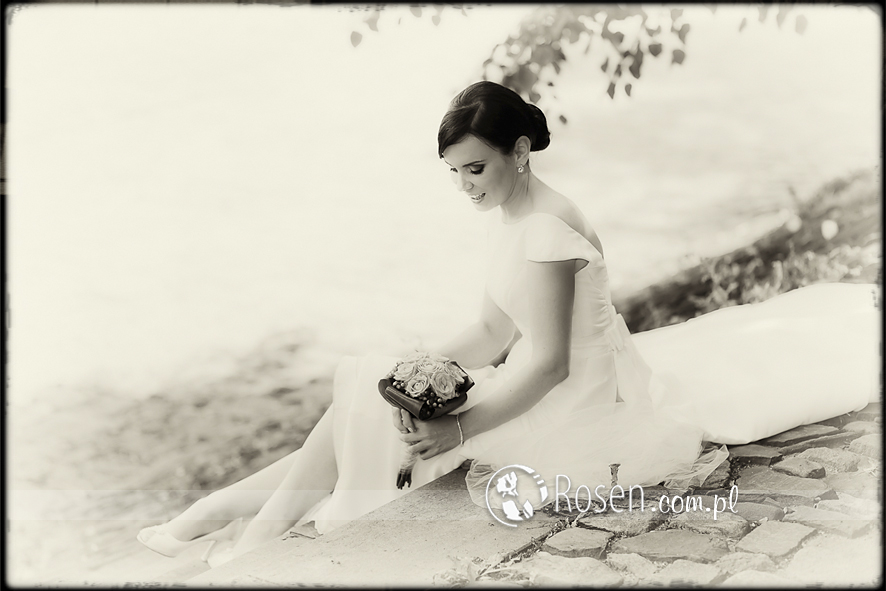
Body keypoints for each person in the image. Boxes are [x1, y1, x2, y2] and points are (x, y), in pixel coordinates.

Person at [137, 81, 880, 567]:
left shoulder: (550, 228)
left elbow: (551, 362)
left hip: (580, 402)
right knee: (368, 386)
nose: (465, 187)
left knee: (358, 410)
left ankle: (239, 526)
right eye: (454, 173)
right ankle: (225, 518)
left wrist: (458, 428)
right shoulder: (511, 213)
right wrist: (415, 372)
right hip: (528, 377)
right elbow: (492, 333)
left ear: (519, 153)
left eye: (476, 170)